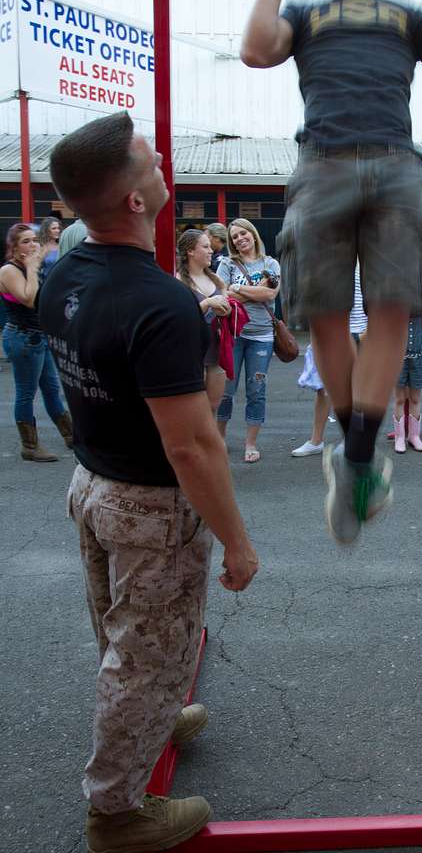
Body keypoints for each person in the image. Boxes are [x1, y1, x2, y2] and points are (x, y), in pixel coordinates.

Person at [38, 112, 258, 853]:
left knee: (123, 637)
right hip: (148, 505)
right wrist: (238, 543)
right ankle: (118, 814)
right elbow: (193, 445)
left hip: (94, 485)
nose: (161, 159)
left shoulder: (64, 273)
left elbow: (106, 357)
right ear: (134, 201)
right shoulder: (158, 302)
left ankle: (153, 719)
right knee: (145, 655)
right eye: (149, 158)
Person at [240, 0, 422, 543]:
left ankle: (354, 458)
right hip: (323, 163)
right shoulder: (309, 11)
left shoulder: (404, 13)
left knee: (392, 310)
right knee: (324, 314)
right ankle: (358, 456)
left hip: (396, 163)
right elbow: (256, 50)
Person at [0, 223, 72, 461]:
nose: (33, 245)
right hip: (22, 337)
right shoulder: (9, 270)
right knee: (25, 393)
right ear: (15, 247)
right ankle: (29, 446)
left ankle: (72, 437)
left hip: (39, 336)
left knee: (52, 390)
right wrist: (32, 268)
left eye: (34, 240)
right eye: (26, 241)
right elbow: (29, 299)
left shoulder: (30, 266)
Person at [216, 218, 280, 463]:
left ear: (253, 235)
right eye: (234, 237)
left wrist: (237, 289)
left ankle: (250, 444)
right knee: (225, 390)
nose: (240, 239)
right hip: (232, 336)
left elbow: (271, 293)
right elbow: (223, 299)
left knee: (256, 390)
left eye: (243, 234)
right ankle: (219, 438)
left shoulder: (270, 263)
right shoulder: (227, 263)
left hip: (262, 336)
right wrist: (250, 292)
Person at [293, 264, 368, 457]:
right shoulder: (329, 261)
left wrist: (364, 334)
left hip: (358, 333)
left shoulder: (367, 260)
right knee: (323, 392)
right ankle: (316, 441)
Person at [176, 230, 232, 415]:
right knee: (193, 408)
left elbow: (229, 312)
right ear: (191, 251)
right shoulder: (178, 281)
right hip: (191, 351)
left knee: (213, 406)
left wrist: (227, 309)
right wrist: (207, 303)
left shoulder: (217, 280)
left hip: (217, 350)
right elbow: (179, 318)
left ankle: (211, 443)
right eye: (206, 246)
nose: (211, 251)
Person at [392, 315, 422, 453]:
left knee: (415, 398)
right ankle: (399, 437)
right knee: (400, 399)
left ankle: (414, 436)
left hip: (418, 358)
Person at [36, 216, 61, 283]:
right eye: (54, 228)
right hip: (46, 283)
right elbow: (36, 269)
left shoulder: (62, 245)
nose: (57, 230)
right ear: (46, 230)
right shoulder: (41, 247)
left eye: (58, 228)